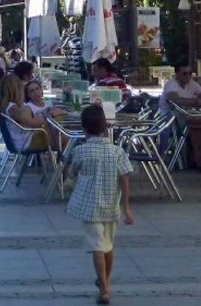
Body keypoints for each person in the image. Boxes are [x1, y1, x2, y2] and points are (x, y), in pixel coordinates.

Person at [63, 104, 134, 306]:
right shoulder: (117, 152)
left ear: (84, 128)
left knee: (97, 246)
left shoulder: (80, 151)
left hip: (89, 207)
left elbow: (71, 172)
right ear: (105, 126)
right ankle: (105, 282)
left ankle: (104, 289)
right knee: (107, 246)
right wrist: (126, 208)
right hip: (111, 206)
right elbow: (125, 178)